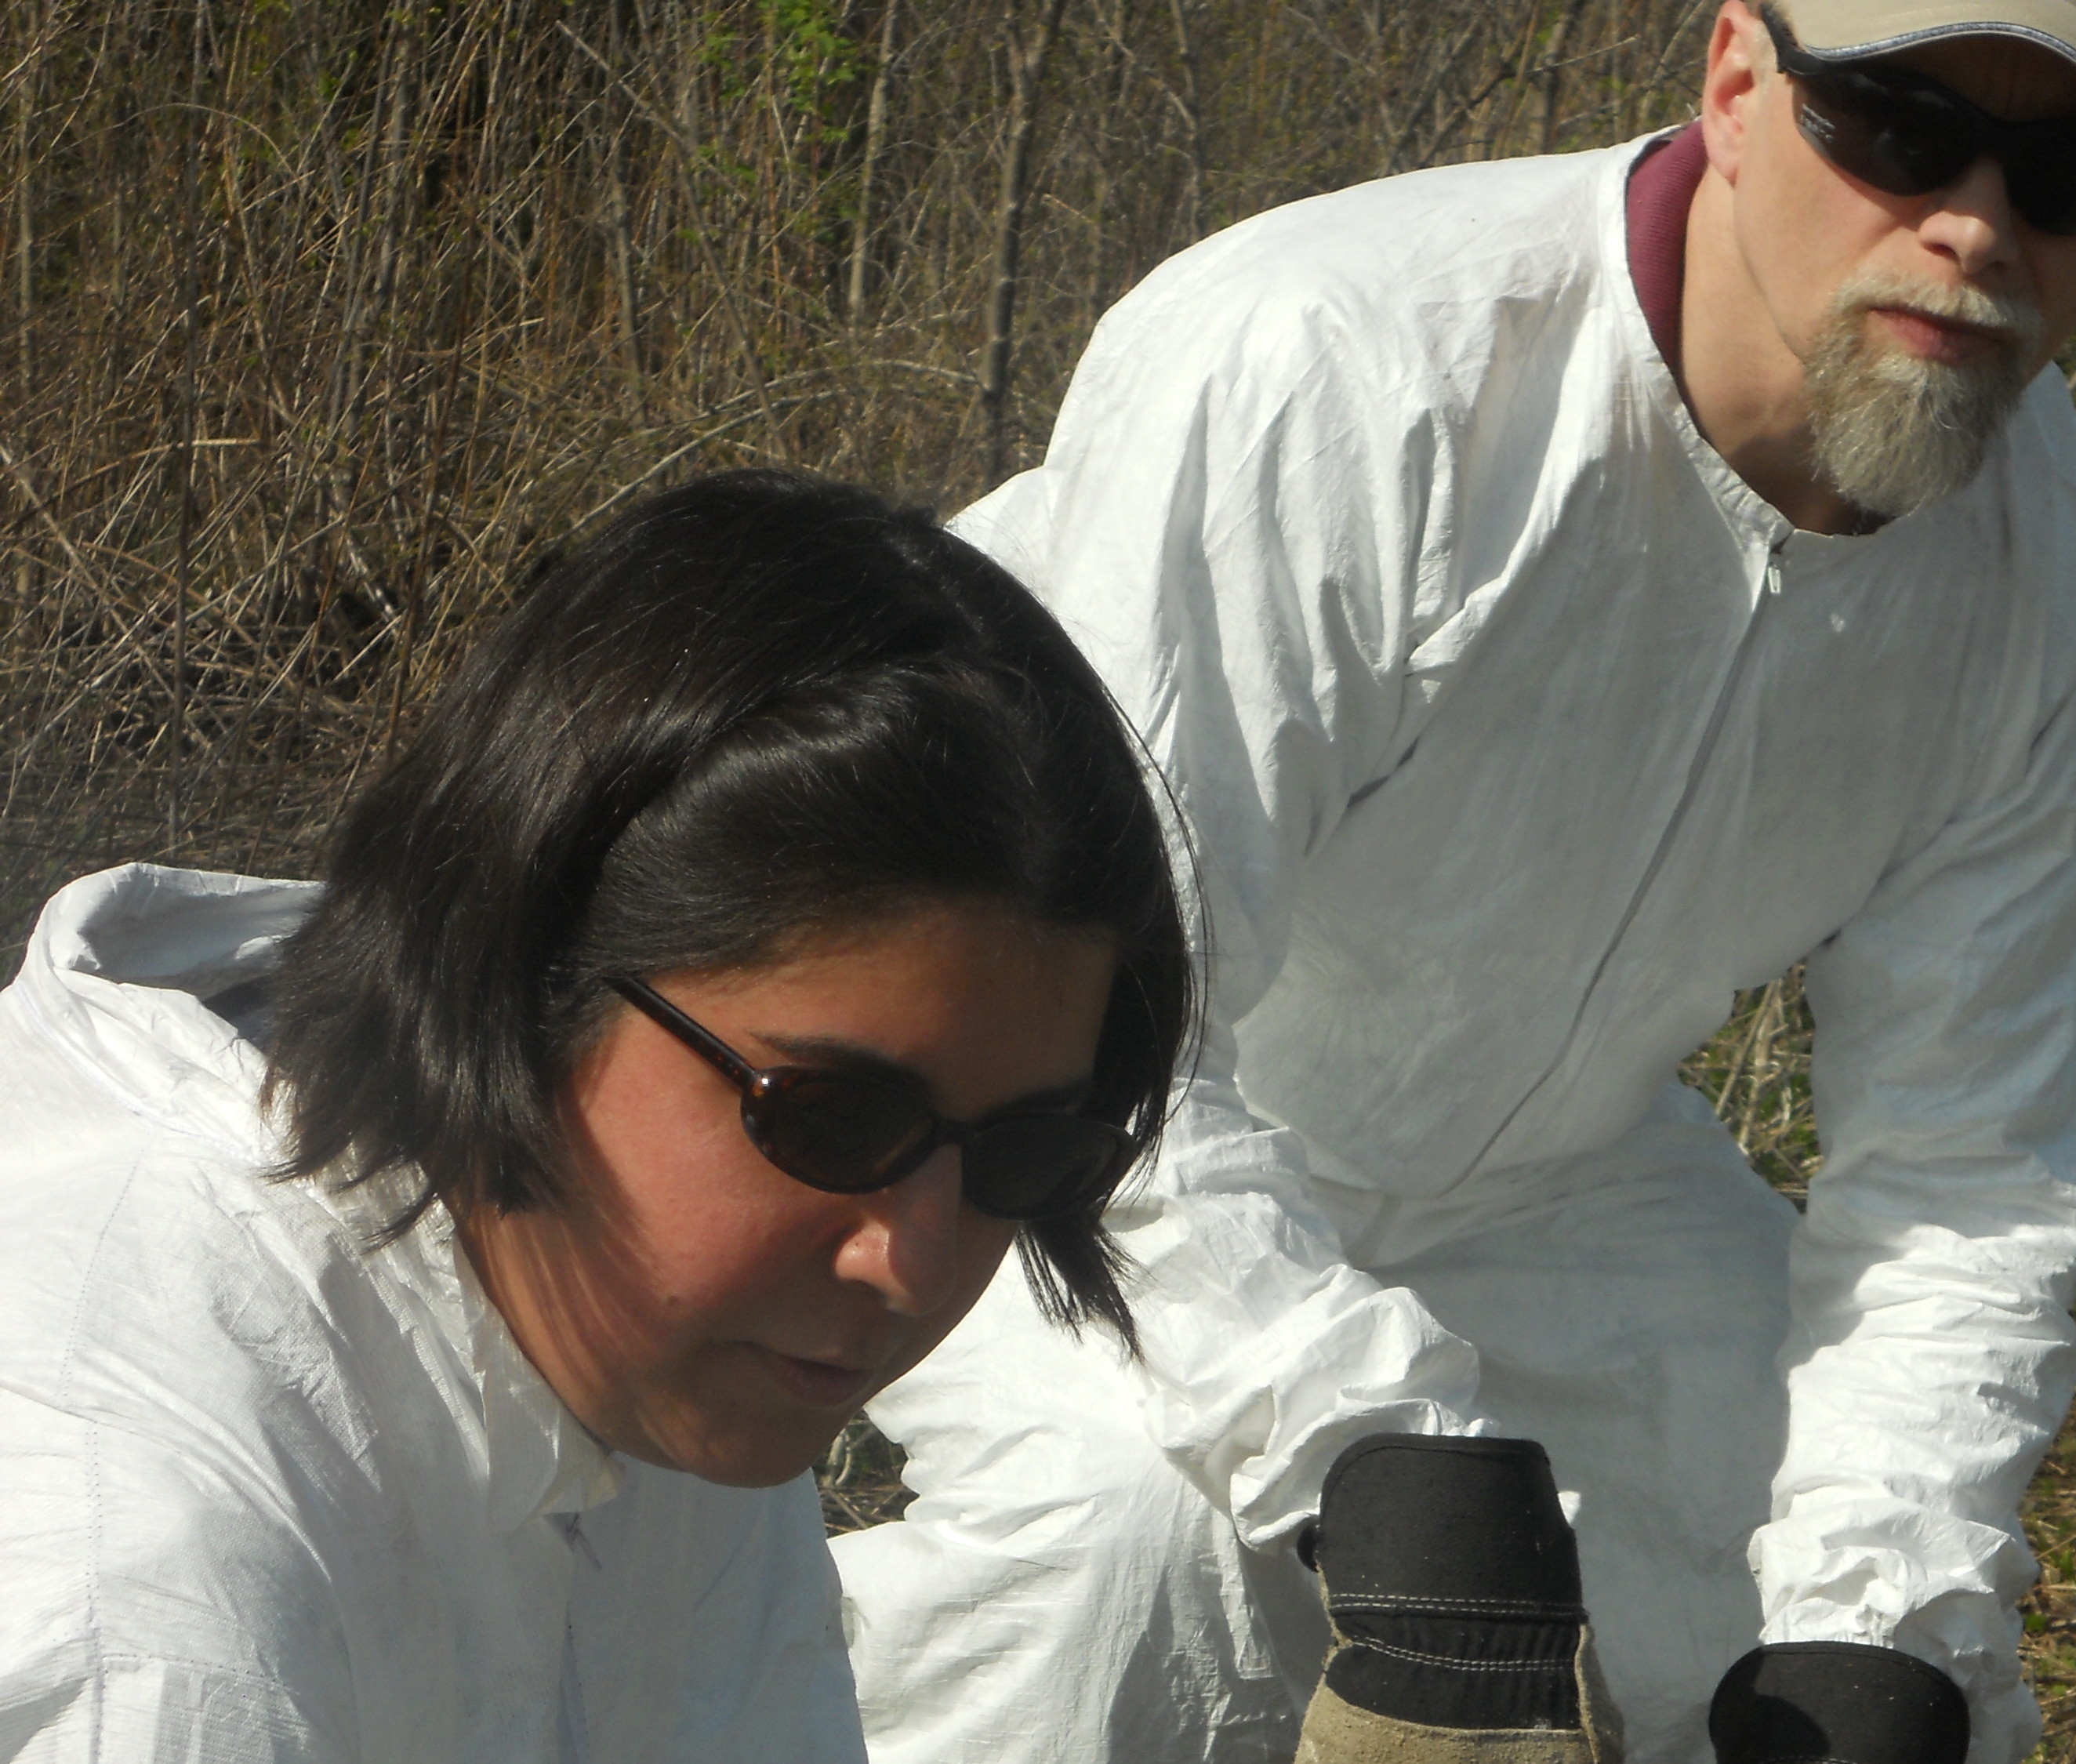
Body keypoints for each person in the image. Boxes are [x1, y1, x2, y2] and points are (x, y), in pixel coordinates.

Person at [833, 0, 2076, 1758]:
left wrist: (1883, 1625)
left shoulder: (2052, 578)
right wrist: (1378, 1462)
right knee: (1139, 1567)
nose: (1973, 228)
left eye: (2071, 172)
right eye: (1895, 126)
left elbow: (1970, 1173)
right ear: (1735, 82)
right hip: (1028, 1128)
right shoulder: (1340, 367)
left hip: (1549, 1179)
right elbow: (1099, 1020)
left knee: (1873, 1656)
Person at [0, 470, 1190, 1761]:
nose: (908, 1259)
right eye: (834, 1118)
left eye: (1025, 1151)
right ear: (521, 972)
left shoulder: (656, 1334)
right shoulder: (144, 1611)